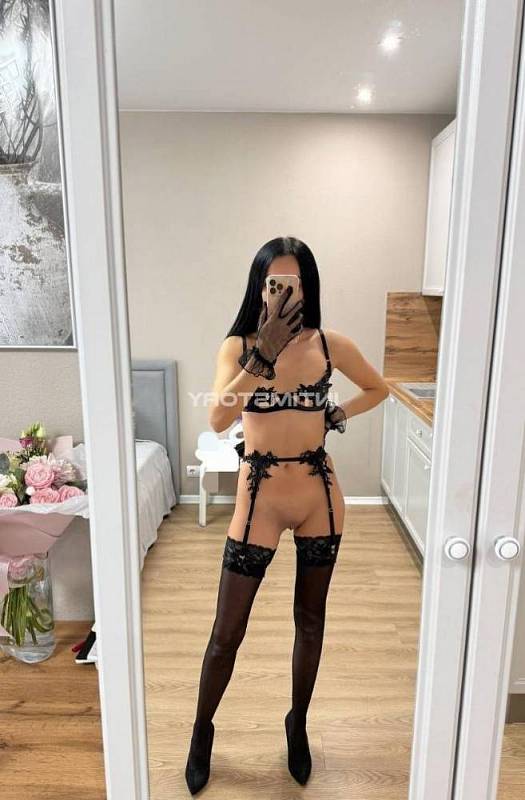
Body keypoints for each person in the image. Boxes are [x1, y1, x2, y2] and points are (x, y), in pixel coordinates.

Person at [185, 236, 390, 794]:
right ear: (258, 287)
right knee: (227, 632)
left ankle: (297, 723)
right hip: (260, 497)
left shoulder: (329, 343)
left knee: (311, 620)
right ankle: (202, 731)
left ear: (308, 288)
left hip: (319, 493)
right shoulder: (238, 347)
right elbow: (218, 419)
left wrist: (337, 414)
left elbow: (378, 387)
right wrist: (264, 354)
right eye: (271, 282)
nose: (280, 293)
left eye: (292, 283)